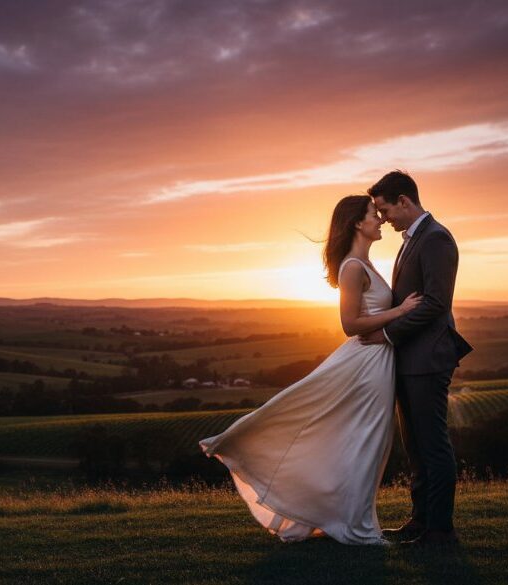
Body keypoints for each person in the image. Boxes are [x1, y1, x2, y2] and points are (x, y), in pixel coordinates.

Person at [199, 194, 421, 545]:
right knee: (367, 442)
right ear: (357, 224)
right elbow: (350, 324)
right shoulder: (352, 267)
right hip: (365, 367)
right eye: (373, 214)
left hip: (376, 362)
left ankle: (347, 518)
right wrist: (401, 311)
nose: (380, 220)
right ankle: (358, 530)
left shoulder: (366, 264)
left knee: (367, 442)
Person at [360, 170, 472, 547]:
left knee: (432, 444)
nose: (383, 217)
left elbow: (437, 304)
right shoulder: (413, 239)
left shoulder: (436, 239)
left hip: (428, 359)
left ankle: (440, 530)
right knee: (416, 447)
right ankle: (420, 521)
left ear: (404, 201)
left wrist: (388, 333)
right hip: (410, 361)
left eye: (385, 208)